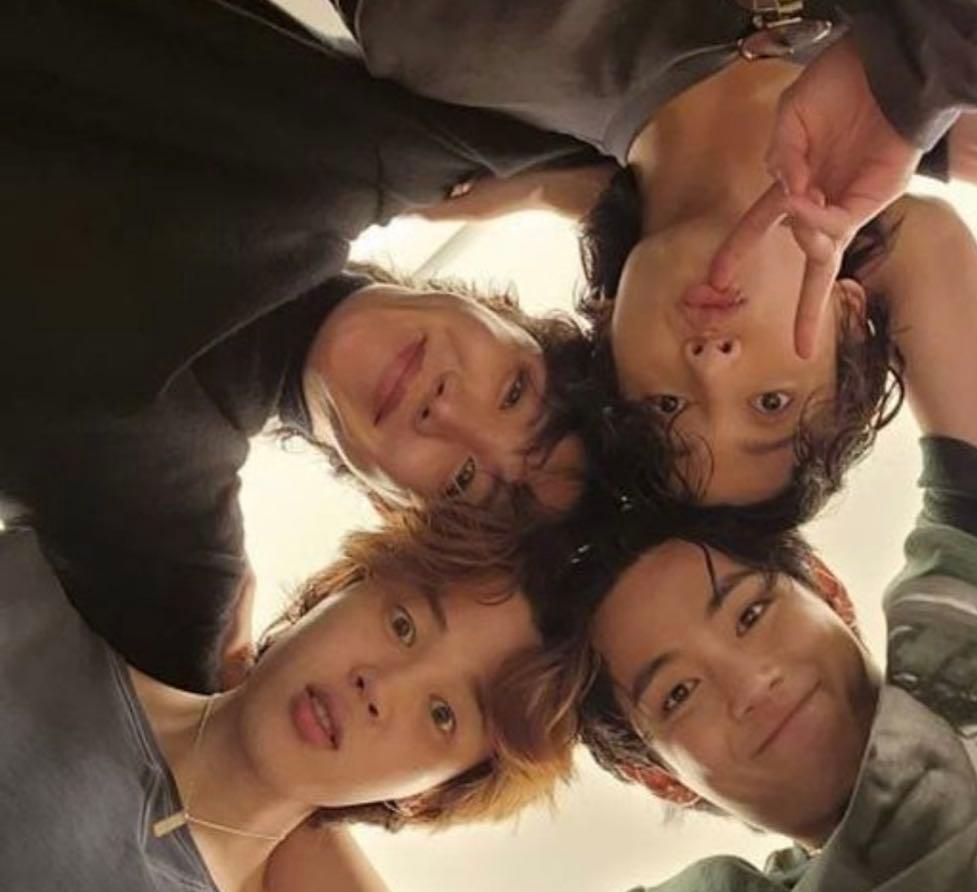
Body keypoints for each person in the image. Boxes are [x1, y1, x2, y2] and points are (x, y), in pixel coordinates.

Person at [506, 194, 977, 892]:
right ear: (661, 774)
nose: (749, 680)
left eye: (749, 613)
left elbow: (909, 247)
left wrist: (646, 242)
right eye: (677, 693)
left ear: (832, 595)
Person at [1, 0, 600, 692]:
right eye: (516, 392)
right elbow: (662, 157)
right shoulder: (353, 151)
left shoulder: (171, 537)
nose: (446, 411)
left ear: (396, 507)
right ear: (504, 314)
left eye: (466, 481)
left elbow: (142, 736)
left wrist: (218, 696)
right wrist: (545, 187)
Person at [346, 0, 977, 513]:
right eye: (770, 402)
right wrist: (923, 90)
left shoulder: (445, 30)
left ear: (608, 329)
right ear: (850, 317)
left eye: (666, 406)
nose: (710, 362)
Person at [0, 506, 574, 892]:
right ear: (338, 588)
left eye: (442, 713)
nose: (380, 686)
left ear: (430, 795)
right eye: (403, 625)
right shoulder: (27, 607)